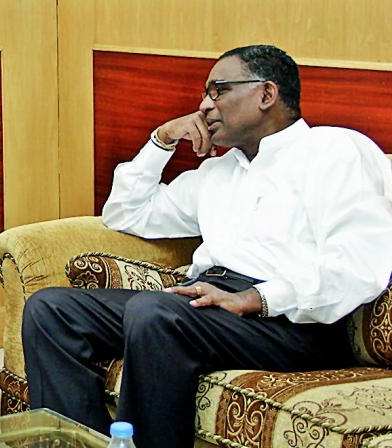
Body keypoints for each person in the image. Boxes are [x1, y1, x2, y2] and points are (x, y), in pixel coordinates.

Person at [21, 44, 392, 448]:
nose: (204, 106)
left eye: (219, 91)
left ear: (267, 94)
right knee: (50, 310)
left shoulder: (335, 152)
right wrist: (161, 141)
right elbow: (125, 213)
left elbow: (359, 264)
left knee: (155, 311)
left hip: (290, 323)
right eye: (205, 94)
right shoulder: (217, 171)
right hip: (205, 307)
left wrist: (257, 298)